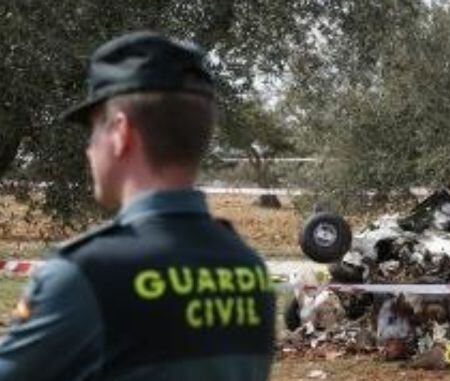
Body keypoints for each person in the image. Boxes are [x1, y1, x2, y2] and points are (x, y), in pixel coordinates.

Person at [0, 32, 275, 380]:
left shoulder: (84, 275)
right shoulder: (249, 269)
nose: (88, 149)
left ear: (120, 132)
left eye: (93, 130)